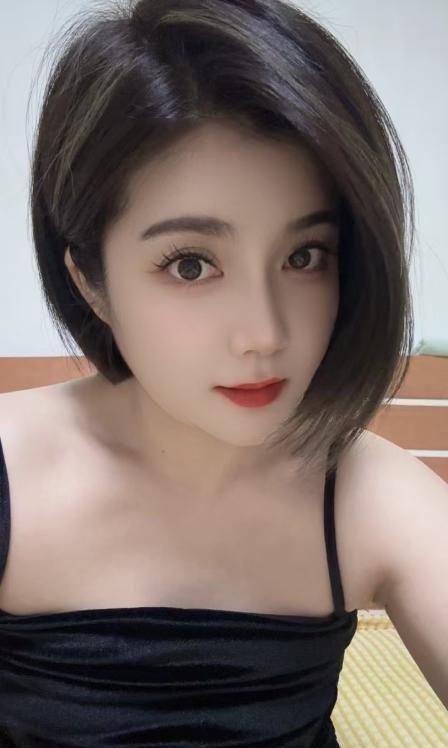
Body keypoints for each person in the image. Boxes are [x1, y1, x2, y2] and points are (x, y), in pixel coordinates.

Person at [3, 0, 445, 745]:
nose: (266, 334)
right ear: (90, 281)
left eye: (304, 256)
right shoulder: (11, 474)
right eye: (191, 264)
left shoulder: (368, 493)